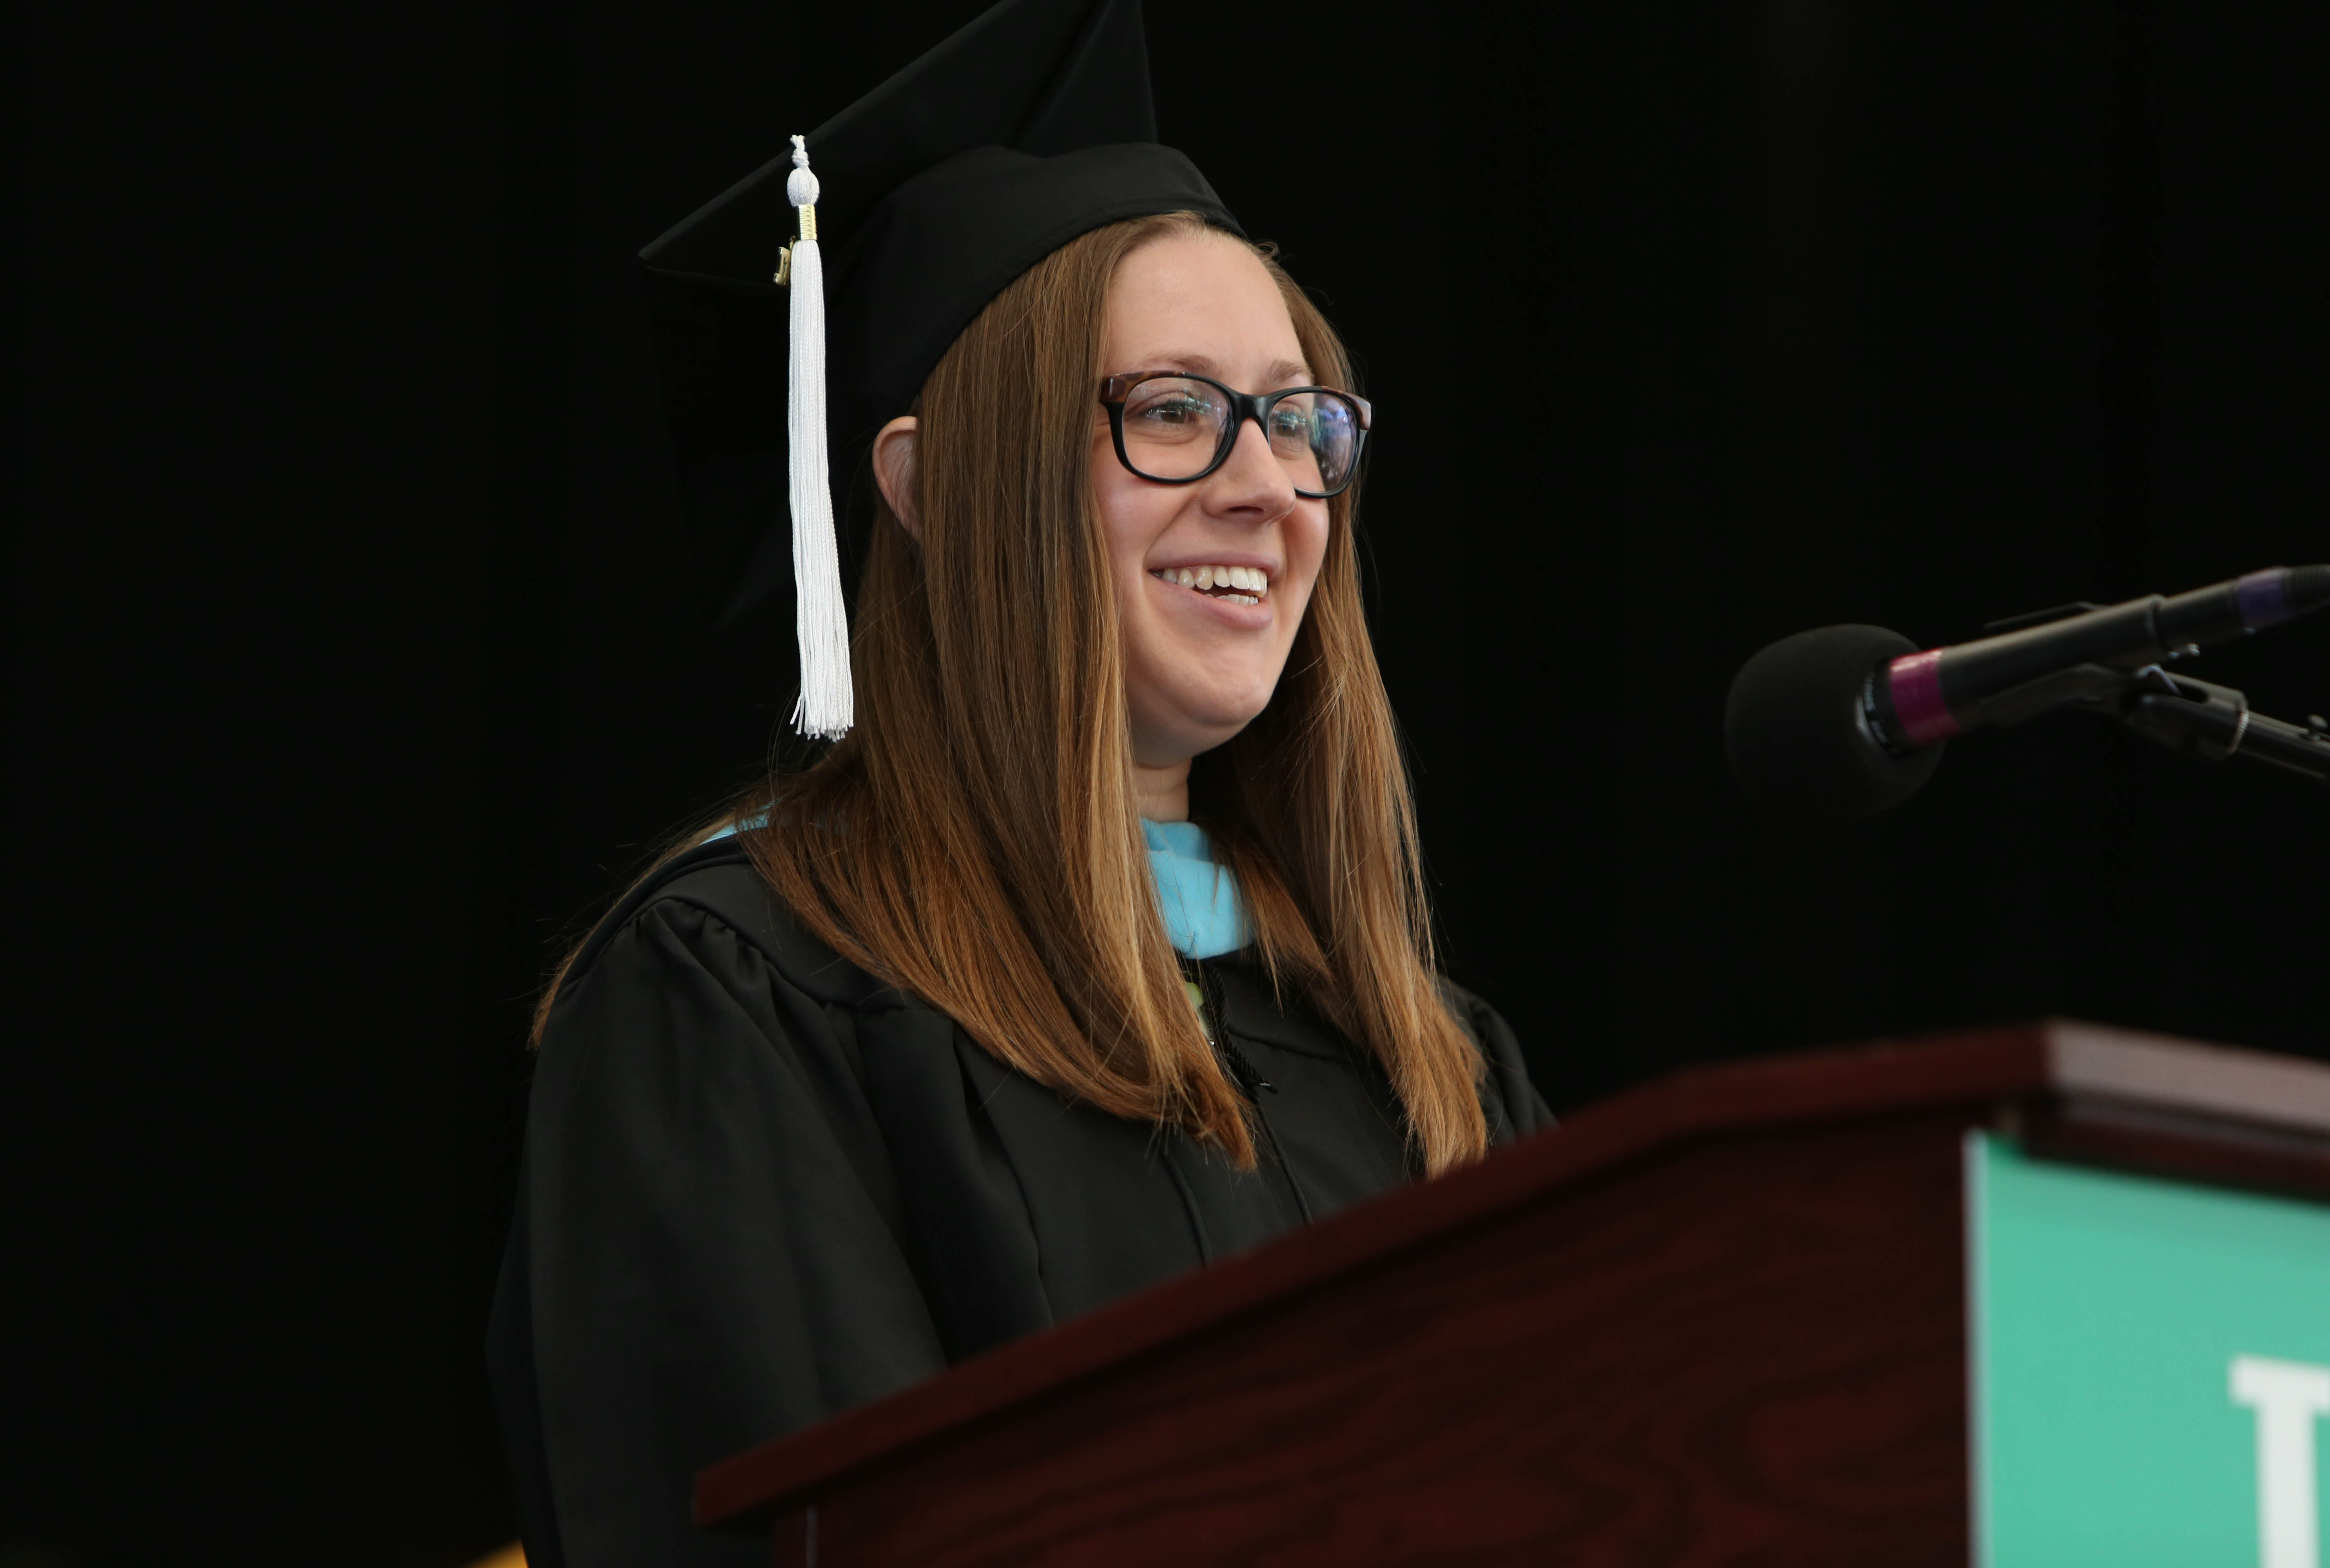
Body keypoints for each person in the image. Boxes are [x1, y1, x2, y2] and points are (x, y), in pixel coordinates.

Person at [486, 0, 1549, 1563]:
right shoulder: (748, 995)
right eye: (1176, 411)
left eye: (1300, 419)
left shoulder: (1418, 1051)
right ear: (928, 483)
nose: (1270, 486)